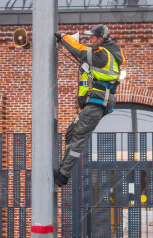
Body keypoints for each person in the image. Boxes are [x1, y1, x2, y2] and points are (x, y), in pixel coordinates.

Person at [53, 24, 125, 187]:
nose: (89, 39)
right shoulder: (103, 55)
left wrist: (64, 38)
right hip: (94, 103)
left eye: (92, 37)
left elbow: (80, 51)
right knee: (71, 132)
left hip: (96, 103)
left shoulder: (103, 53)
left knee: (78, 137)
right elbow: (83, 56)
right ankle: (64, 168)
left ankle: (63, 175)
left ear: (100, 39)